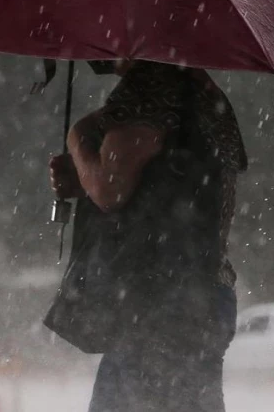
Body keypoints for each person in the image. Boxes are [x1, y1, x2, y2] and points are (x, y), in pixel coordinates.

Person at [44, 59, 247, 412]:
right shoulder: (206, 95)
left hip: (156, 303)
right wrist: (84, 177)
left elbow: (109, 189)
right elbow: (169, 186)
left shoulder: (150, 85)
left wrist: (78, 140)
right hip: (202, 295)